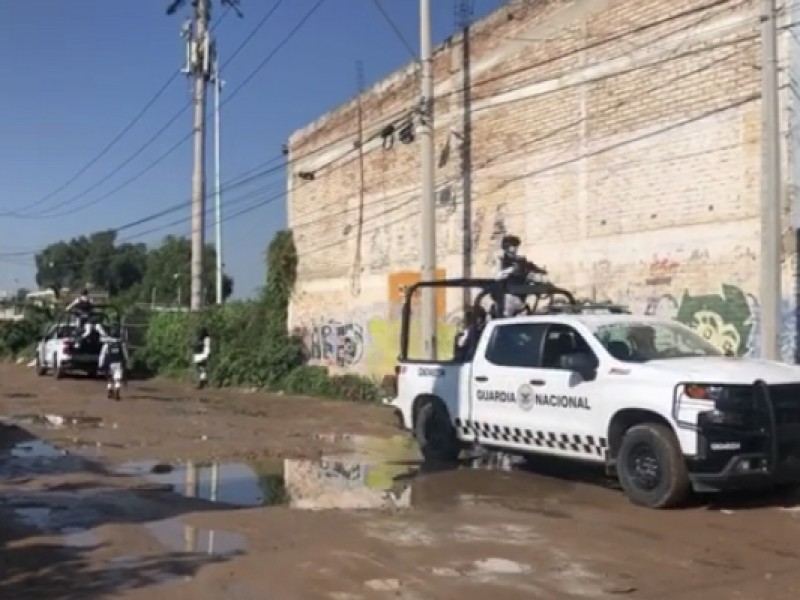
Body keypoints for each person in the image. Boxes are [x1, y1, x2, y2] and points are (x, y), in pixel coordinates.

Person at [493, 234, 547, 317]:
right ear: (507, 247)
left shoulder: (521, 260)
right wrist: (511, 270)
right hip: (508, 297)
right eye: (513, 245)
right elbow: (497, 276)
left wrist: (540, 271)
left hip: (520, 298)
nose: (515, 248)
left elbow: (531, 268)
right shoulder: (501, 260)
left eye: (516, 245)